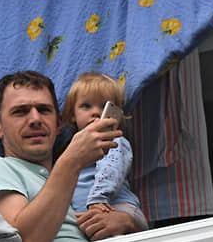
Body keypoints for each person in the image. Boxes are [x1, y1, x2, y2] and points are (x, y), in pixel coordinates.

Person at [0, 70, 143, 242]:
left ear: (59, 124)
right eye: (20, 112)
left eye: (44, 110)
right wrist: (72, 160)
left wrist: (128, 223)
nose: (35, 119)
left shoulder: (81, 177)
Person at [63, 72, 149, 231]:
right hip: (88, 215)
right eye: (86, 106)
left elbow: (111, 170)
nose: (95, 112)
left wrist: (98, 198)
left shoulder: (113, 141)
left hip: (117, 208)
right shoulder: (69, 149)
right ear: (72, 115)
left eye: (104, 106)